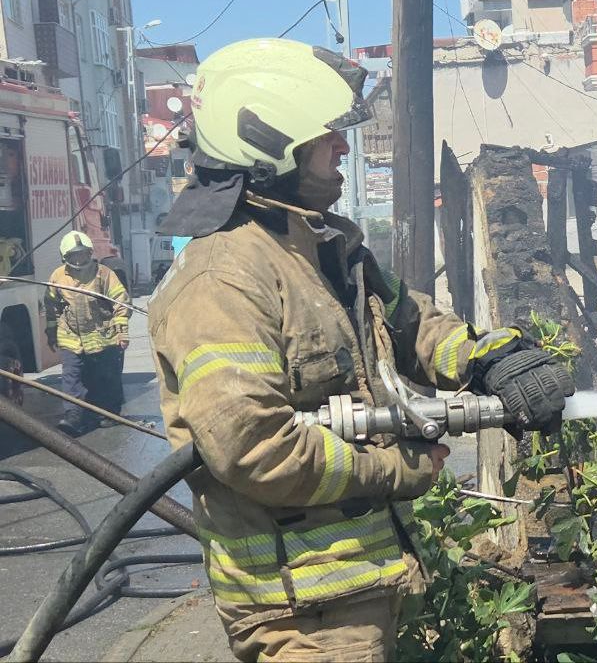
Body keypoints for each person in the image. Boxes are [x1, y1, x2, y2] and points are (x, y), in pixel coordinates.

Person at [148, 39, 574, 662]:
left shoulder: (325, 251)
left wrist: (488, 359)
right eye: (327, 136)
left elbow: (411, 323)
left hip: (355, 595)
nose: (343, 148)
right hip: (303, 617)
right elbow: (254, 448)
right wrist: (398, 468)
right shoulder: (223, 280)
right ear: (272, 144)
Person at [44, 230, 129, 432]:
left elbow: (121, 303)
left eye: (82, 254)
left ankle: (110, 413)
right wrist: (51, 332)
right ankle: (73, 415)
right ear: (65, 257)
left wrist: (122, 332)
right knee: (71, 377)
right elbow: (51, 306)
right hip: (71, 337)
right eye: (74, 255)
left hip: (103, 337)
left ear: (89, 253)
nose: (78, 259)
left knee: (107, 377)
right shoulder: (57, 277)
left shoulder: (104, 274)